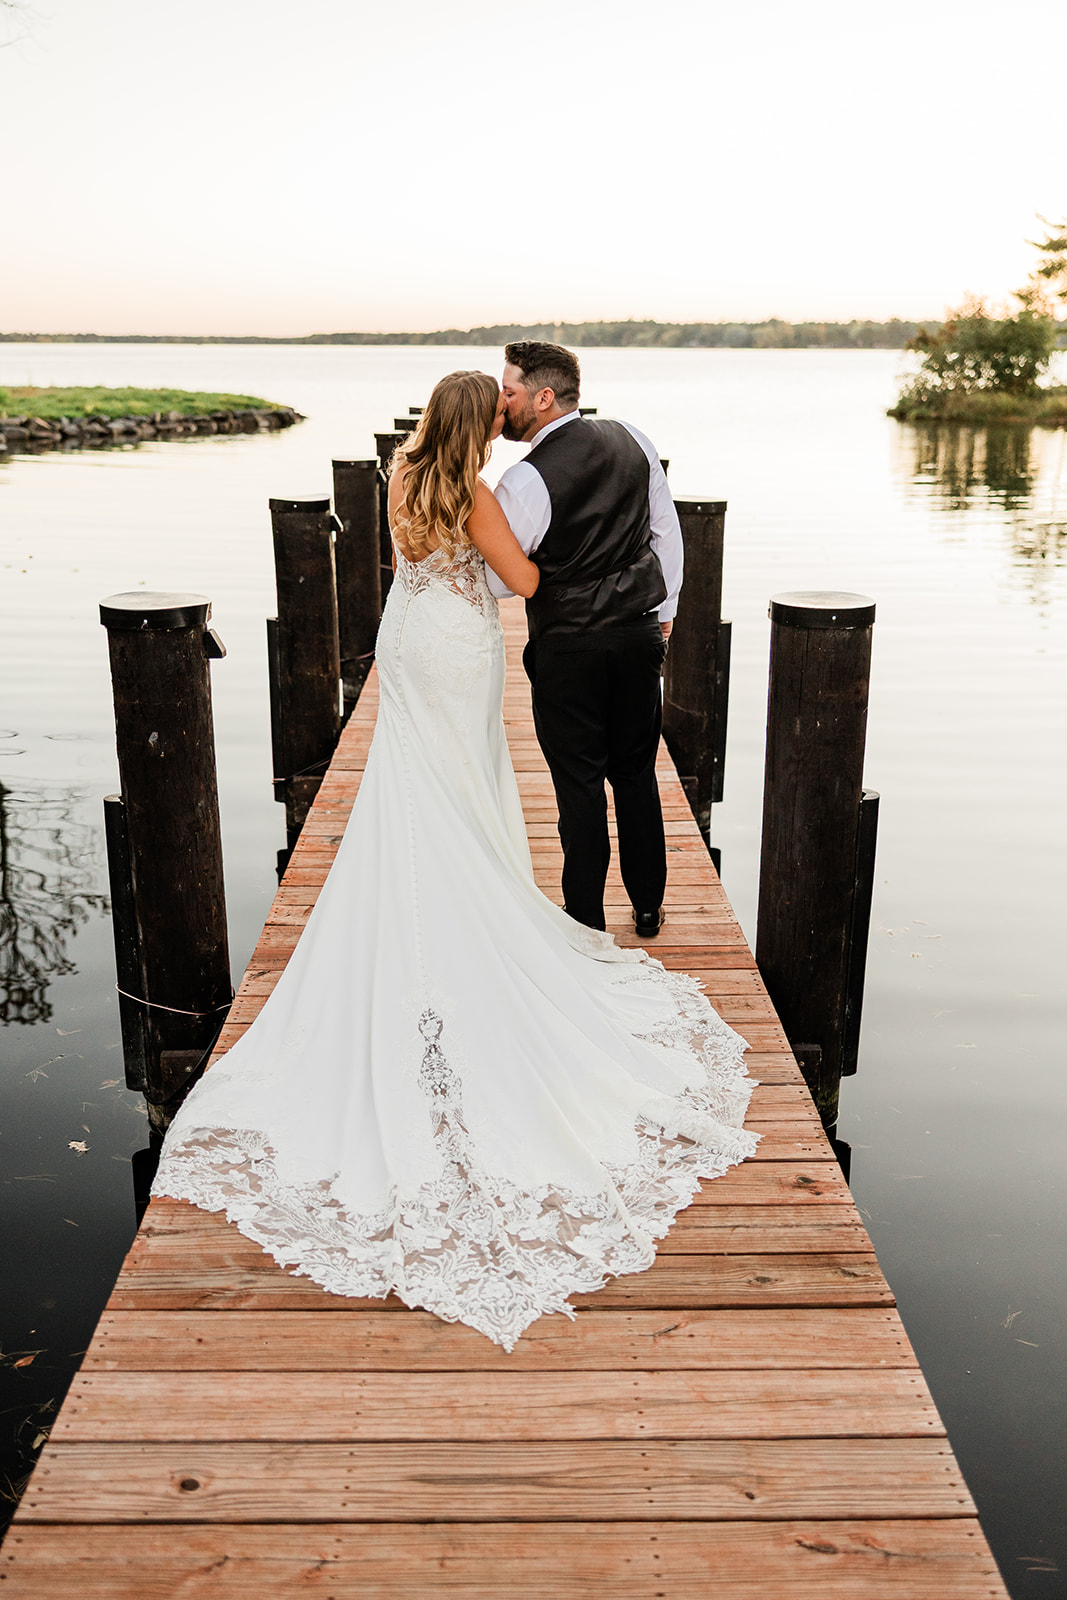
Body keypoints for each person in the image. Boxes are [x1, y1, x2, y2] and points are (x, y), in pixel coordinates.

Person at [152, 370, 756, 1352]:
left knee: (410, 787)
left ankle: (411, 906)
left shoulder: (400, 477)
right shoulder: (476, 493)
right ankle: (475, 912)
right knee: (470, 790)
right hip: (463, 647)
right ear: (483, 425)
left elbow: (421, 560)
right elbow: (518, 581)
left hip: (409, 641)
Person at [490, 342, 682, 939]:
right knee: (635, 773)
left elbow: (500, 580)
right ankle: (648, 908)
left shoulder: (523, 481)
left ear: (543, 398)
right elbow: (665, 532)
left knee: (577, 787)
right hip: (636, 637)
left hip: (567, 647)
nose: (503, 403)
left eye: (511, 391)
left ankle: (585, 920)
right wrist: (665, 609)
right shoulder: (634, 439)